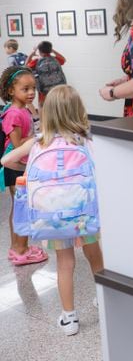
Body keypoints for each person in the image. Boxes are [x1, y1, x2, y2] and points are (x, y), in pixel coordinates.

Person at [2, 85, 104, 336]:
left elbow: (5, 161)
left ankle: (69, 318)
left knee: (65, 263)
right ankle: (103, 301)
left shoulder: (39, 141)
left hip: (52, 216)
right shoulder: (85, 140)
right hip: (83, 213)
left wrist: (30, 160)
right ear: (78, 110)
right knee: (95, 255)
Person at [0, 66, 48, 266]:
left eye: (33, 89)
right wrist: (39, 138)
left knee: (20, 207)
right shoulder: (13, 114)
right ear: (11, 90)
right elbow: (19, 145)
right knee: (21, 208)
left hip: (21, 165)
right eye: (25, 89)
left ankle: (17, 247)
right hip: (15, 167)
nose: (31, 93)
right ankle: (21, 249)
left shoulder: (23, 109)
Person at [26, 41, 67, 107]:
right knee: (58, 104)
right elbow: (64, 59)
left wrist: (32, 53)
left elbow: (25, 67)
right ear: (50, 50)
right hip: (58, 87)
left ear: (39, 51)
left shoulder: (37, 61)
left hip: (44, 89)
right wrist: (53, 51)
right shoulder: (55, 59)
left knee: (42, 105)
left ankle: (43, 117)